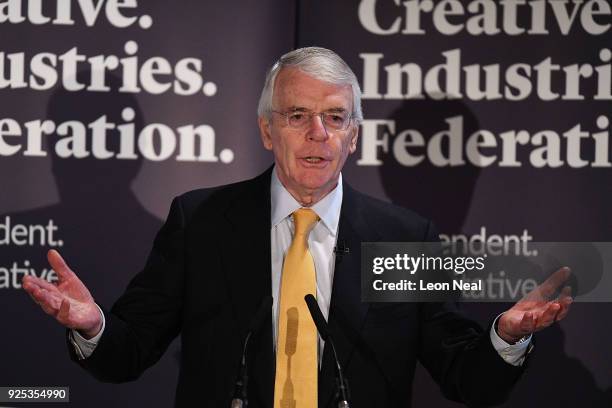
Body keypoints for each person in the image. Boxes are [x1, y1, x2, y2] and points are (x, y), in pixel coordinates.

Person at [22, 47, 572, 408]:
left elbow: (463, 376)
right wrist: (94, 327)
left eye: (335, 118)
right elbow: (130, 352)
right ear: (267, 130)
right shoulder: (203, 222)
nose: (318, 134)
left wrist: (504, 337)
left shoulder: (405, 237)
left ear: (353, 136)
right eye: (297, 116)